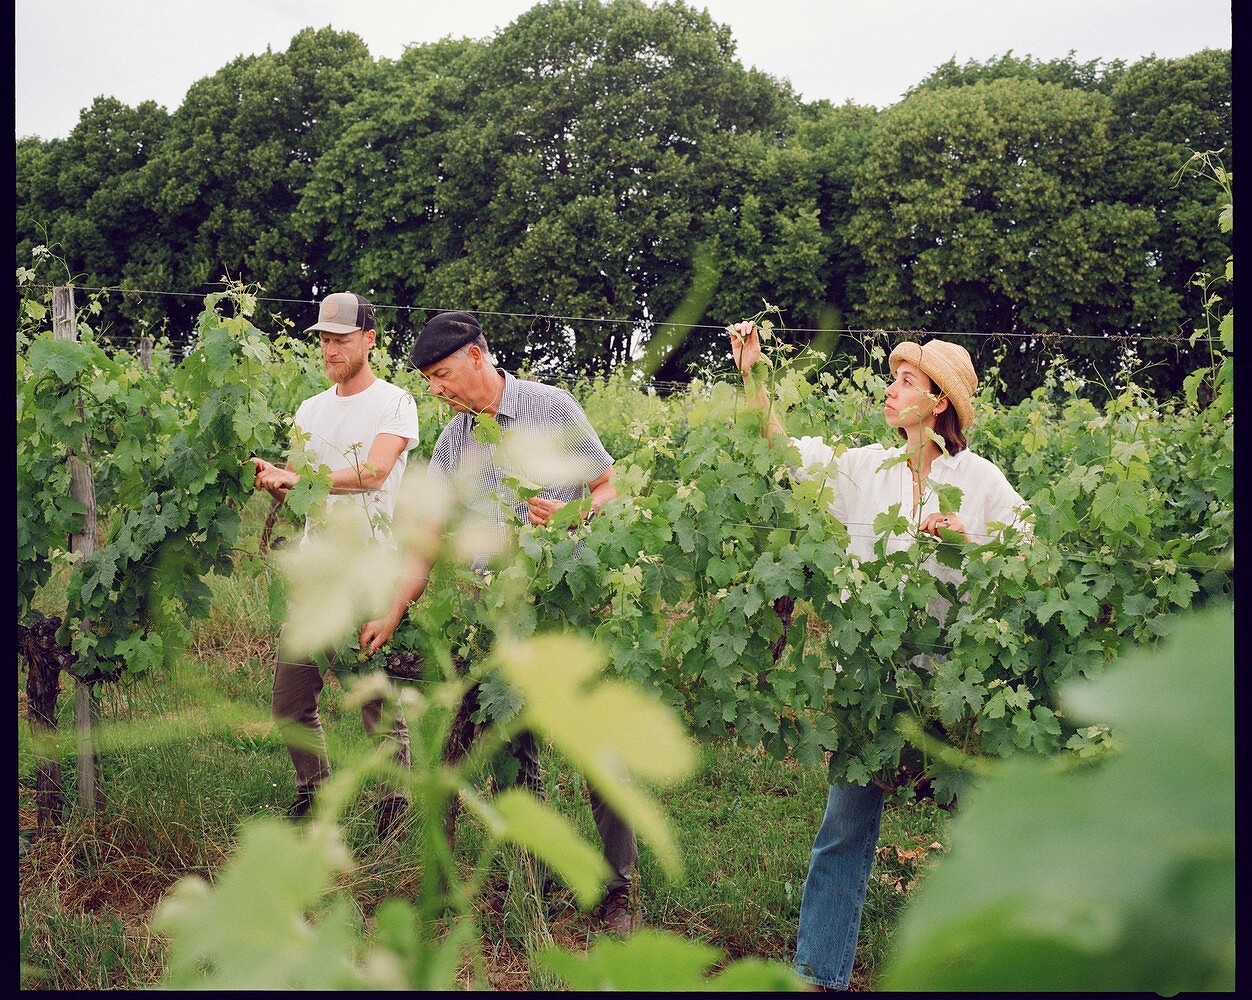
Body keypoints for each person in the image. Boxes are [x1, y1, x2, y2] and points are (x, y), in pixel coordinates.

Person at [727, 321, 1030, 991]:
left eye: (907, 382)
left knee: (982, 838)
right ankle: (816, 975)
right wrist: (753, 373)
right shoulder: (864, 467)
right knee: (844, 829)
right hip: (870, 688)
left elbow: (1030, 559)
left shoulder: (981, 482)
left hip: (955, 691)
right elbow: (780, 450)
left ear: (941, 403)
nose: (890, 391)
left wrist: (966, 542)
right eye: (893, 379)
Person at [359, 310, 642, 936]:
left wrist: (570, 521)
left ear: (478, 358)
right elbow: (425, 542)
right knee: (514, 753)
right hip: (498, 617)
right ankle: (537, 882)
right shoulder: (451, 444)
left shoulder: (552, 407)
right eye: (429, 379)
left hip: (566, 609)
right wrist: (394, 608)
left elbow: (605, 489)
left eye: (443, 374)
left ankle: (618, 892)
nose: (437, 389)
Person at [252, 291, 420, 839]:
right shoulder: (310, 410)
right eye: (323, 339)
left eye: (340, 339)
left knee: (375, 704)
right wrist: (277, 482)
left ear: (369, 340)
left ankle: (397, 801)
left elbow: (373, 473)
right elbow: (301, 498)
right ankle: (314, 790)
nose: (329, 348)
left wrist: (302, 479)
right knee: (289, 700)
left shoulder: (396, 403)